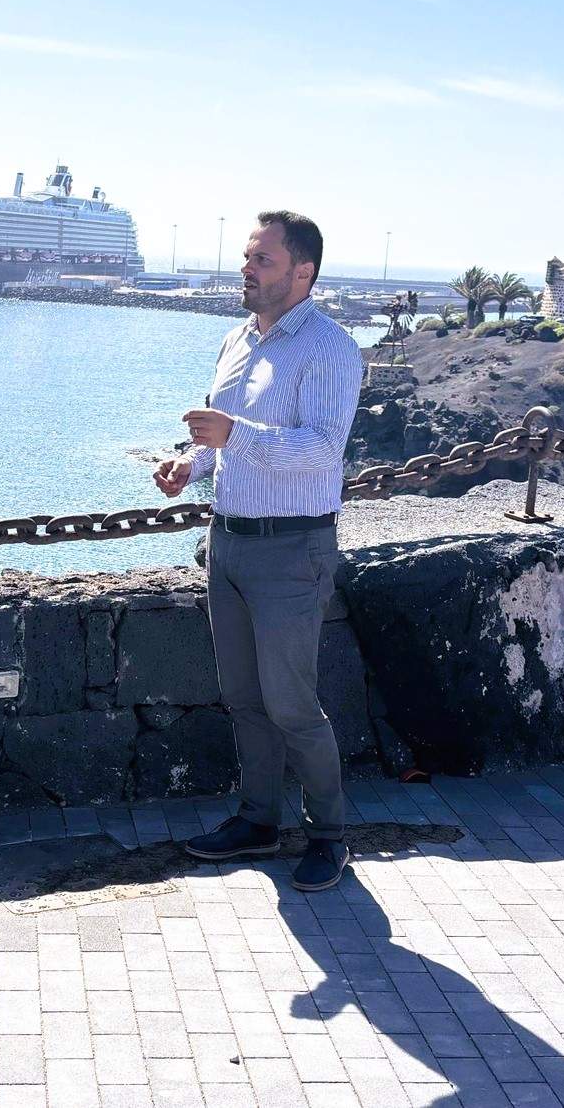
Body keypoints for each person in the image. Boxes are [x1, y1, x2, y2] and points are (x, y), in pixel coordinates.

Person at [151, 211, 364, 893]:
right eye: (248, 257)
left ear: (303, 272)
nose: (246, 269)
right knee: (244, 698)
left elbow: (322, 450)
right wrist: (190, 465)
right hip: (230, 542)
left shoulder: (330, 348)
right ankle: (258, 820)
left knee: (292, 704)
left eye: (262, 260)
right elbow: (219, 441)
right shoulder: (236, 339)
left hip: (293, 548)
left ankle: (329, 836)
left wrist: (232, 435)